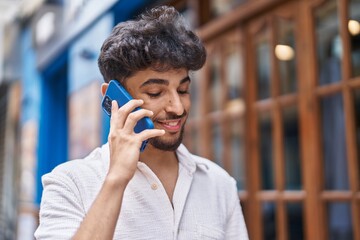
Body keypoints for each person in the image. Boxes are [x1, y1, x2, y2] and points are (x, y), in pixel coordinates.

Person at [34, 5, 248, 240]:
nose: (177, 107)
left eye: (183, 89)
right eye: (156, 93)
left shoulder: (219, 184)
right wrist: (116, 178)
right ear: (113, 96)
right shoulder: (69, 184)